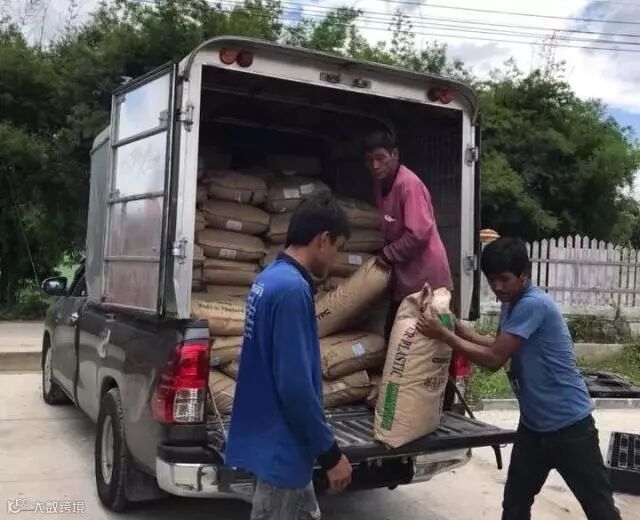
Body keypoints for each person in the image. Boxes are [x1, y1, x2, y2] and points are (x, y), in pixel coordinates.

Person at [418, 237, 620, 520]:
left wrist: (444, 336)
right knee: (514, 505)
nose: (497, 287)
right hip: (534, 428)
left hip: (570, 428)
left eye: (504, 279)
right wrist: (457, 328)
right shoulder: (511, 302)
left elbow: (494, 359)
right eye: (492, 280)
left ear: (524, 274)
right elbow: (498, 344)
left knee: (600, 510)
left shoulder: (532, 304)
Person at [225, 193, 353, 520]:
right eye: (338, 247)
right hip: (281, 447)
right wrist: (331, 453)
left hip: (271, 441)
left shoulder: (268, 279)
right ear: (323, 240)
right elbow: (294, 386)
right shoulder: (292, 290)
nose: (336, 259)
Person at [364, 130, 453, 339]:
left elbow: (418, 234)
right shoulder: (380, 183)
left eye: (380, 158)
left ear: (394, 154)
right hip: (406, 276)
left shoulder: (409, 184)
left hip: (427, 276)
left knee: (431, 338)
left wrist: (388, 254)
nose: (375, 165)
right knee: (396, 335)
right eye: (369, 160)